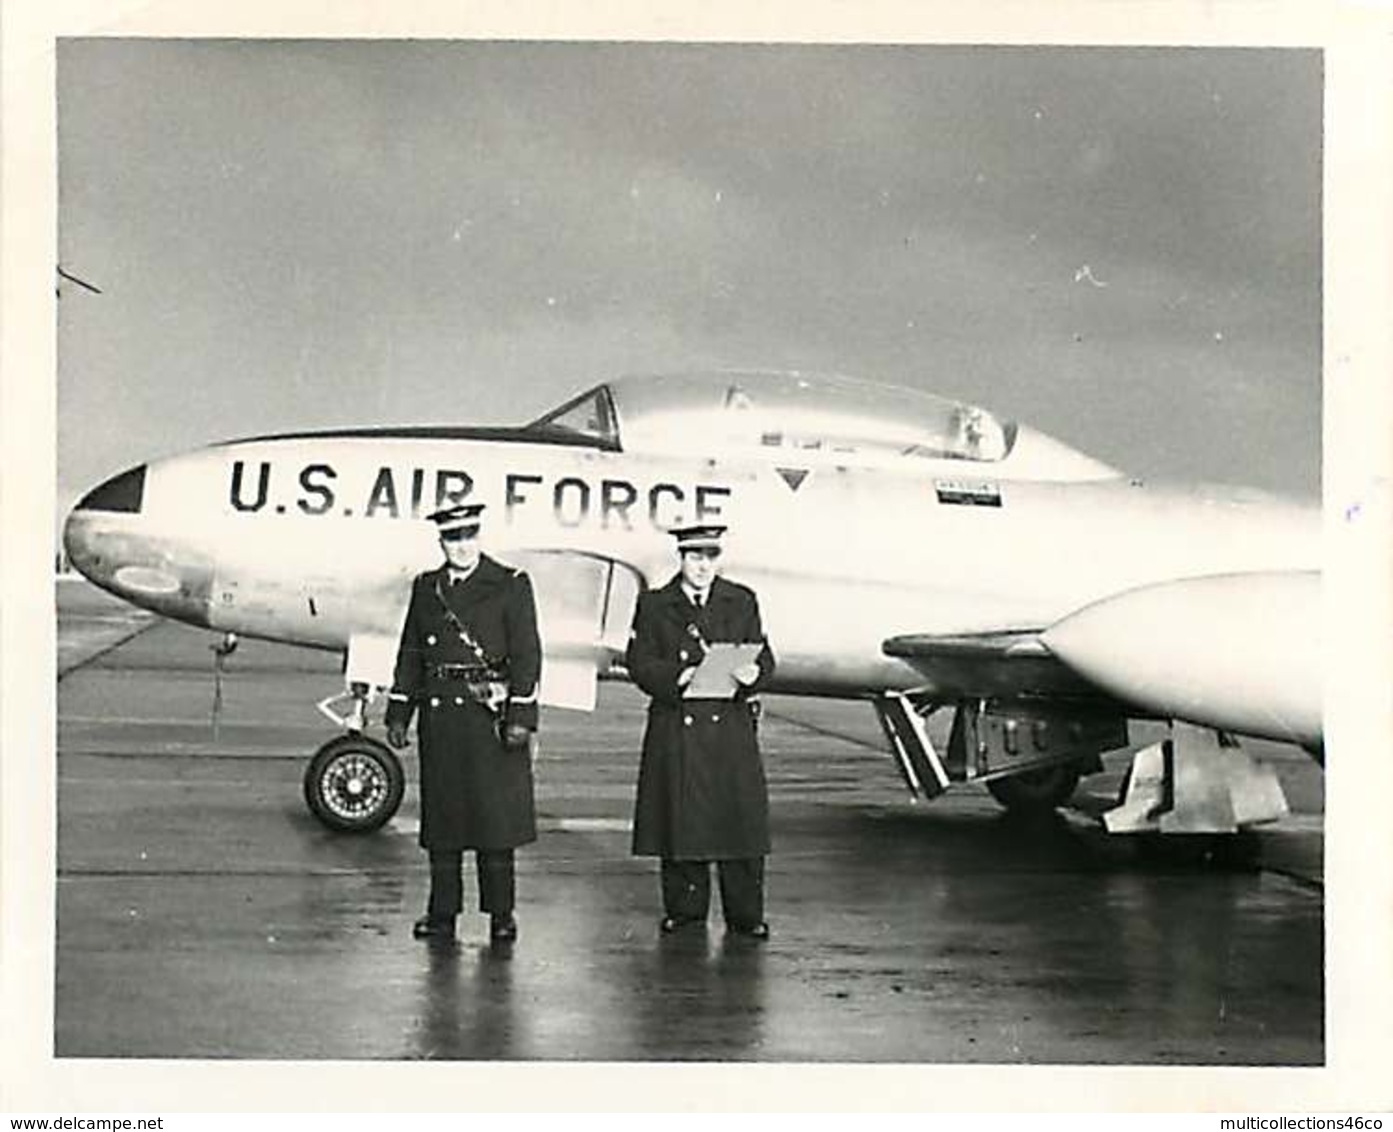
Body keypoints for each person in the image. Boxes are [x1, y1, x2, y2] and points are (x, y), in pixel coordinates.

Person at [384, 502, 541, 945]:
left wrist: (521, 715)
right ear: (442, 543)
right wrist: (400, 710)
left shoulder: (510, 584)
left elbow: (527, 654)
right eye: (453, 539)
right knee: (444, 823)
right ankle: (442, 913)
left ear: (479, 537)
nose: (462, 547)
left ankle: (501, 915)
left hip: (489, 717)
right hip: (442, 718)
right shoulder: (426, 588)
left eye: (469, 537)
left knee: (496, 824)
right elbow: (411, 652)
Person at [626, 523, 776, 939]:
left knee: (739, 822)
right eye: (695, 558)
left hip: (728, 726)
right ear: (682, 558)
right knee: (682, 821)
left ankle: (746, 915)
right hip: (678, 723)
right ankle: (686, 911)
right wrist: (679, 676)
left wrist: (754, 673)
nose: (703, 567)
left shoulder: (741, 600)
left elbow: (766, 656)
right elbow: (640, 663)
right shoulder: (656, 605)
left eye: (710, 558)